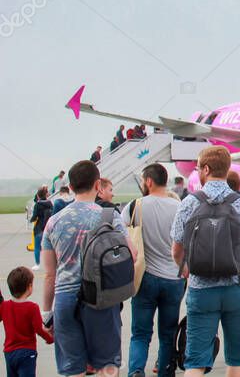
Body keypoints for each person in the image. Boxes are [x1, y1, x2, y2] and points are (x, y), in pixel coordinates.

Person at [171, 146, 240, 377]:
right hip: (236, 288)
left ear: (206, 168)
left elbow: (176, 248)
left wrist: (185, 269)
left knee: (195, 361)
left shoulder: (189, 203)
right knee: (236, 360)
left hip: (201, 289)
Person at [41, 159, 133, 377]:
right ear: (98, 184)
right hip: (101, 296)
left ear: (70, 187)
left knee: (73, 368)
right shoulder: (110, 217)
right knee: (108, 366)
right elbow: (132, 254)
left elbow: (49, 274)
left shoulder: (53, 222)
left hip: (65, 297)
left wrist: (47, 312)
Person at [122, 163, 185, 377]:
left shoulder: (135, 206)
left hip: (145, 277)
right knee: (168, 334)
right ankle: (165, 371)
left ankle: (136, 371)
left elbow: (123, 238)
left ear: (148, 181)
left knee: (140, 333)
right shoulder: (180, 207)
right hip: (174, 278)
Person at [2, 266, 53, 377]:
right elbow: (39, 329)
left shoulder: (4, 306)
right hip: (27, 352)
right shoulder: (32, 307)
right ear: (29, 286)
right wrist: (50, 338)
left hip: (9, 353)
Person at [29, 188, 52, 271]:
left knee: (37, 247)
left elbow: (35, 216)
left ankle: (37, 264)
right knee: (50, 247)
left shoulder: (37, 205)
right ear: (46, 195)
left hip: (39, 228)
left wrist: (31, 220)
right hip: (48, 227)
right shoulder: (50, 203)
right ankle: (52, 263)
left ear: (38, 195)